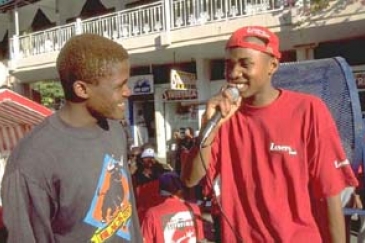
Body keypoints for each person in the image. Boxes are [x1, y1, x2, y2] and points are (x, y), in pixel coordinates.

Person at [180, 25, 358, 242]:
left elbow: (331, 194)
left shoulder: (308, 110)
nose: (234, 73)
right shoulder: (224, 117)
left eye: (245, 64)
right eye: (229, 64)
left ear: (272, 65)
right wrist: (208, 126)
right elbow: (190, 179)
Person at [1, 34, 143, 242]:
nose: (127, 92)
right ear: (82, 89)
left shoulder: (114, 130)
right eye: (118, 86)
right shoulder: (30, 162)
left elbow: (129, 218)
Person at [141, 172, 205, 243]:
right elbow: (200, 239)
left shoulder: (152, 214)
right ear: (181, 190)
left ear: (160, 191)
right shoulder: (194, 208)